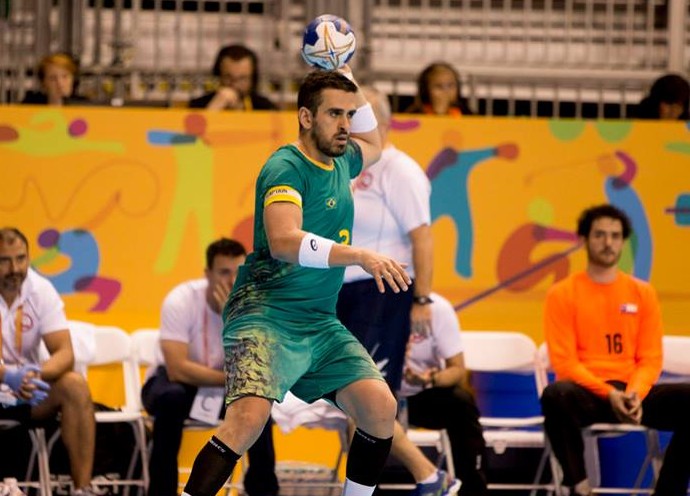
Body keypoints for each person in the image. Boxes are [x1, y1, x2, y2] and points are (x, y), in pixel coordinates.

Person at [180, 67, 411, 496]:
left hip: (318, 322)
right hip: (264, 313)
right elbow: (285, 241)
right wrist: (359, 255)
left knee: (380, 407)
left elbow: (376, 143)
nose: (346, 125)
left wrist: (346, 73)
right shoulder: (285, 167)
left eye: (350, 114)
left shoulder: (344, 160)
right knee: (248, 419)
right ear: (306, 117)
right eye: (334, 114)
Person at [336, 85, 460, 495]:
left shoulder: (399, 170)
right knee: (352, 398)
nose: (347, 122)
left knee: (366, 399)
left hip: (381, 293)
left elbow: (422, 237)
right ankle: (429, 477)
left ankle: (427, 477)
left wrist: (421, 299)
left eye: (355, 113)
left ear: (382, 122)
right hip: (343, 294)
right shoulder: (346, 167)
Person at [541, 204, 690, 496]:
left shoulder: (642, 293)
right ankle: (579, 488)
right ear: (584, 240)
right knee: (555, 395)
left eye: (615, 235)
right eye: (600, 235)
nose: (608, 242)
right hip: (589, 395)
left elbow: (650, 358)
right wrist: (610, 395)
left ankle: (669, 491)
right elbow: (565, 362)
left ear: (623, 242)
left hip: (634, 394)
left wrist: (633, 394)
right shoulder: (562, 293)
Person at [141, 238, 279, 496]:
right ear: (208, 274)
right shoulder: (180, 300)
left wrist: (233, 316)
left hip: (223, 384)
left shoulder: (253, 307)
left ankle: (264, 492)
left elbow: (254, 368)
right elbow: (177, 369)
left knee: (257, 407)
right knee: (172, 398)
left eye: (239, 272)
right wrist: (232, 379)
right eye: (224, 272)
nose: (231, 280)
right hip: (177, 385)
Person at [0, 227, 99, 496]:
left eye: (21, 259)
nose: (14, 268)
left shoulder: (40, 289)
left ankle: (83, 489)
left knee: (74, 385)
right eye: (5, 261)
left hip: (29, 391)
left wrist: (37, 374)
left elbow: (65, 351)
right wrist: (8, 376)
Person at [401, 292, 488, 496]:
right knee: (363, 411)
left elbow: (457, 370)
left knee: (461, 402)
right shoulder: (369, 305)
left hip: (419, 395)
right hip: (375, 394)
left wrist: (431, 379)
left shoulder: (438, 309)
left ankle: (473, 489)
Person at [188, 44, 277, 111]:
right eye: (228, 77)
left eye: (242, 78)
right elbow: (192, 135)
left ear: (253, 79)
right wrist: (213, 108)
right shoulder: (197, 105)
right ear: (218, 75)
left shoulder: (265, 108)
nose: (235, 84)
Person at [404, 62, 473, 116]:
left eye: (450, 85)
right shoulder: (414, 115)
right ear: (426, 90)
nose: (445, 91)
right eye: (439, 86)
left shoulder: (467, 114)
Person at [21, 52, 89, 106]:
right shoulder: (29, 106)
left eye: (65, 77)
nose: (60, 83)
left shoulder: (86, 108)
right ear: (43, 83)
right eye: (52, 78)